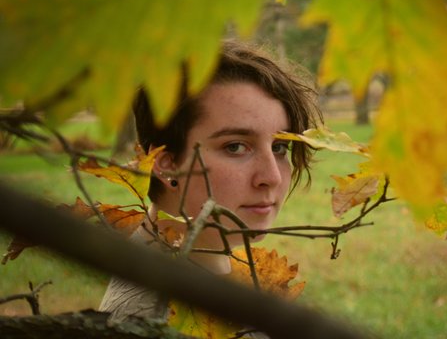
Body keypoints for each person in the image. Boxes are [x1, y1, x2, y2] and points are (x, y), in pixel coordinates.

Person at [99, 40, 322, 324]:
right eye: (236, 147)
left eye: (279, 147)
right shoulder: (152, 319)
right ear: (166, 165)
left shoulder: (214, 279)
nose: (272, 177)